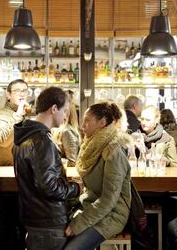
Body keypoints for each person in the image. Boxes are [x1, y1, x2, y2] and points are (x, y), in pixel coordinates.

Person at [13, 87, 81, 250]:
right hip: (49, 221)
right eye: (64, 111)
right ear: (54, 109)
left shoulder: (23, 136)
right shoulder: (42, 140)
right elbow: (49, 187)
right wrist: (76, 188)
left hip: (35, 219)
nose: (65, 116)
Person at [64, 102, 131, 250]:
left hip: (112, 215)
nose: (83, 126)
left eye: (87, 121)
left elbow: (109, 200)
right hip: (90, 208)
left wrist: (79, 223)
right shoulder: (90, 146)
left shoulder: (112, 151)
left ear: (102, 123)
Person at [0, 79, 30, 250]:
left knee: (23, 225)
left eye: (25, 90)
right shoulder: (1, 114)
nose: (22, 93)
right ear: (8, 94)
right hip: (7, 176)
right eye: (17, 90)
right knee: (9, 223)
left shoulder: (29, 114)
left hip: (26, 175)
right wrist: (18, 115)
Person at [139, 105, 177, 250]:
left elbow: (175, 165)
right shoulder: (134, 136)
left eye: (147, 119)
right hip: (140, 191)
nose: (143, 122)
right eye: (142, 119)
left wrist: (162, 160)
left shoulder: (166, 139)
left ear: (156, 120)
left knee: (172, 233)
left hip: (160, 190)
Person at [53, 92, 81, 167]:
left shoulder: (67, 131)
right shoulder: (59, 129)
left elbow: (72, 162)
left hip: (66, 176)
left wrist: (51, 160)